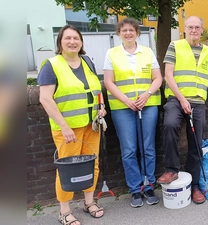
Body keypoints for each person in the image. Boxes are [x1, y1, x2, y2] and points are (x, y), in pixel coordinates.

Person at [38, 25, 105, 225]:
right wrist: (64, 127)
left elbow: (96, 89)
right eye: (67, 38)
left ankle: (89, 203)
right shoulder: (51, 65)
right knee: (67, 170)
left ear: (81, 42)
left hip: (91, 125)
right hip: (67, 129)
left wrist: (101, 107)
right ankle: (64, 211)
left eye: (76, 38)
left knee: (92, 165)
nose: (72, 42)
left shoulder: (87, 61)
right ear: (60, 42)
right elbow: (45, 99)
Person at [157, 16, 208, 204]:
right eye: (190, 27)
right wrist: (181, 99)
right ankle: (172, 170)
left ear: (202, 30)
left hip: (198, 102)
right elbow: (168, 76)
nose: (194, 30)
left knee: (196, 142)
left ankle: (194, 186)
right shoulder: (175, 45)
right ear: (185, 29)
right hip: (176, 99)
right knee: (169, 125)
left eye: (197, 27)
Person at [103, 18, 162, 208]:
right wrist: (127, 101)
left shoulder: (148, 52)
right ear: (119, 33)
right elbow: (109, 82)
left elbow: (157, 78)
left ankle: (149, 185)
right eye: (124, 30)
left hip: (148, 105)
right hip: (123, 108)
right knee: (129, 150)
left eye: (131, 30)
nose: (128, 33)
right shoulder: (111, 54)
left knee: (148, 147)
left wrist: (147, 95)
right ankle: (135, 189)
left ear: (137, 33)